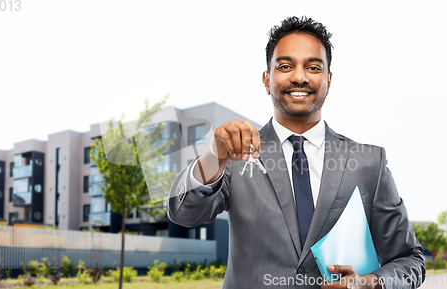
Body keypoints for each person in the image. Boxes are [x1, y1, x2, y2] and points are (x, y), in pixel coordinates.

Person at [167, 16, 425, 288]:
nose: (299, 77)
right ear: (267, 80)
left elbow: (410, 259)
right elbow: (183, 214)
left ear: (328, 79)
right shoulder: (233, 155)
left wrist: (374, 282)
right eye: (285, 66)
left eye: (313, 67)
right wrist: (214, 157)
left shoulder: (368, 162)